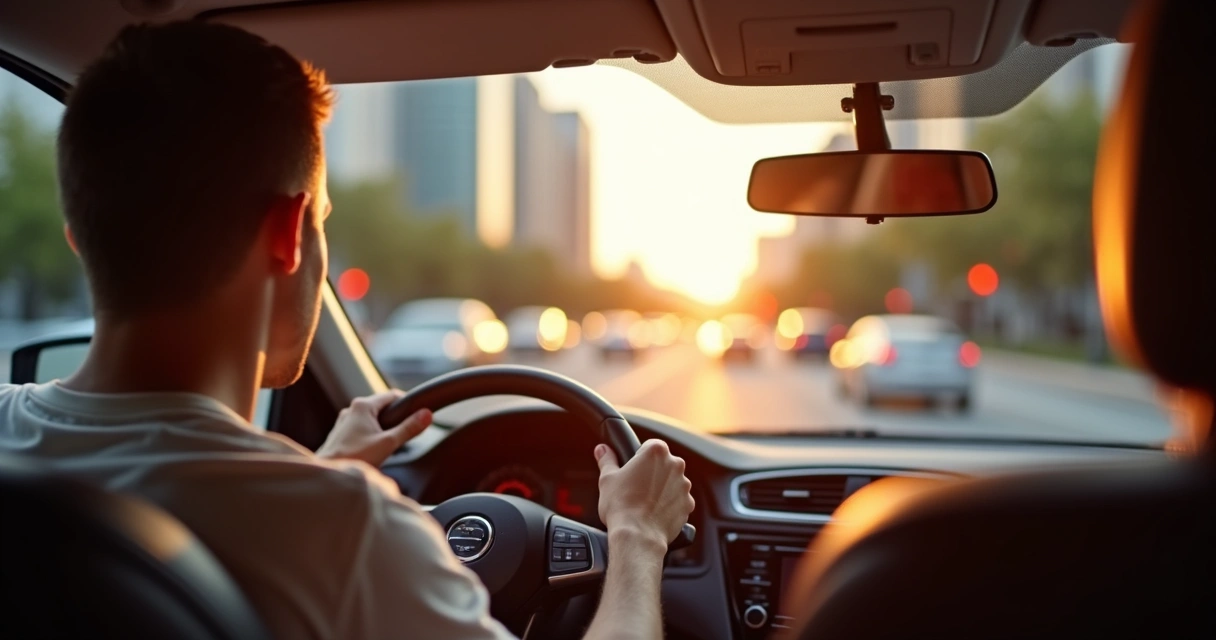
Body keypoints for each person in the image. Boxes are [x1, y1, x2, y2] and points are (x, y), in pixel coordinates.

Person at [0, 21, 694, 639]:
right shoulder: (351, 536)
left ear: (79, 238)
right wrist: (635, 538)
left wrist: (323, 466)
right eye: (322, 219)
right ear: (287, 234)